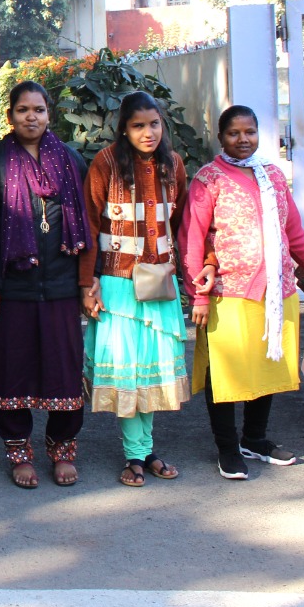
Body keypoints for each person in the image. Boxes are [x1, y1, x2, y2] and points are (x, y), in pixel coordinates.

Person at [182, 105, 304, 479]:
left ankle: (254, 439)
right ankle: (227, 447)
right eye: (234, 133)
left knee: (266, 366)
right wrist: (198, 296)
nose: (243, 139)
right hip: (228, 293)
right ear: (220, 137)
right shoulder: (208, 180)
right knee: (225, 373)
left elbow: (294, 236)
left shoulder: (272, 175)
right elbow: (191, 240)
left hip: (277, 293)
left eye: (250, 132)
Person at [0, 82, 89, 490]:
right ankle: (18, 451)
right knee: (12, 371)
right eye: (22, 110)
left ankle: (62, 448)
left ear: (49, 113)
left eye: (38, 109)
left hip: (62, 287)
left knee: (64, 370)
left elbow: (88, 222)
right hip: (12, 288)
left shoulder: (70, 160)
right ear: (10, 116)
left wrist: (87, 283)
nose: (31, 117)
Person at [81, 91, 191, 487]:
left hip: (159, 281)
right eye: (138, 126)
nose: (148, 133)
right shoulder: (106, 163)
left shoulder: (173, 164)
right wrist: (88, 282)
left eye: (154, 124)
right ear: (124, 129)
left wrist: (193, 276)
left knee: (150, 371)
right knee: (129, 373)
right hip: (118, 285)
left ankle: (144, 451)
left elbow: (180, 225)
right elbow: (90, 224)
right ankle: (136, 454)